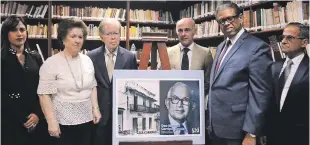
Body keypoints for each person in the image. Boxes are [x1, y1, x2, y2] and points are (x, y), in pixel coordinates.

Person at [208, 2, 272, 145]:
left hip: (238, 131)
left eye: (230, 18)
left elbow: (260, 94)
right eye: (222, 20)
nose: (226, 23)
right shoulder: (220, 47)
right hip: (216, 128)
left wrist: (251, 133)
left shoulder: (257, 47)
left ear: (241, 18)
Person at [37, 18, 101, 145]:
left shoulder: (87, 60)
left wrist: (95, 108)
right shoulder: (51, 63)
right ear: (63, 38)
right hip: (62, 123)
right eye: (73, 36)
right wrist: (51, 121)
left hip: (86, 120)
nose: (77, 40)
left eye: (80, 37)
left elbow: (92, 86)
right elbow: (44, 95)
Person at [158, 17, 213, 141]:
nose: (183, 34)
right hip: (173, 108)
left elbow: (209, 81)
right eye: (180, 30)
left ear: (194, 31)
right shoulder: (167, 52)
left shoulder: (205, 53)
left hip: (195, 108)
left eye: (187, 30)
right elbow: (160, 77)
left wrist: (194, 96)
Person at [1, 15, 51, 145]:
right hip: (9, 120)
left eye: (22, 30)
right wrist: (18, 117)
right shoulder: (1, 58)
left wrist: (37, 114)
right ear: (6, 33)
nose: (19, 34)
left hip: (36, 118)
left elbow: (43, 88)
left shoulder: (35, 57)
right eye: (14, 30)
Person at [87, 18, 138, 145]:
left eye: (116, 33)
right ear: (101, 36)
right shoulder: (91, 56)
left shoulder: (130, 57)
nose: (113, 37)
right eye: (109, 34)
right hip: (99, 114)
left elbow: (133, 84)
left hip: (122, 114)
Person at [266, 22, 309, 145]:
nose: (283, 41)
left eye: (289, 38)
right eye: (282, 37)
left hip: (300, 136)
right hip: (273, 135)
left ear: (304, 43)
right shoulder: (274, 66)